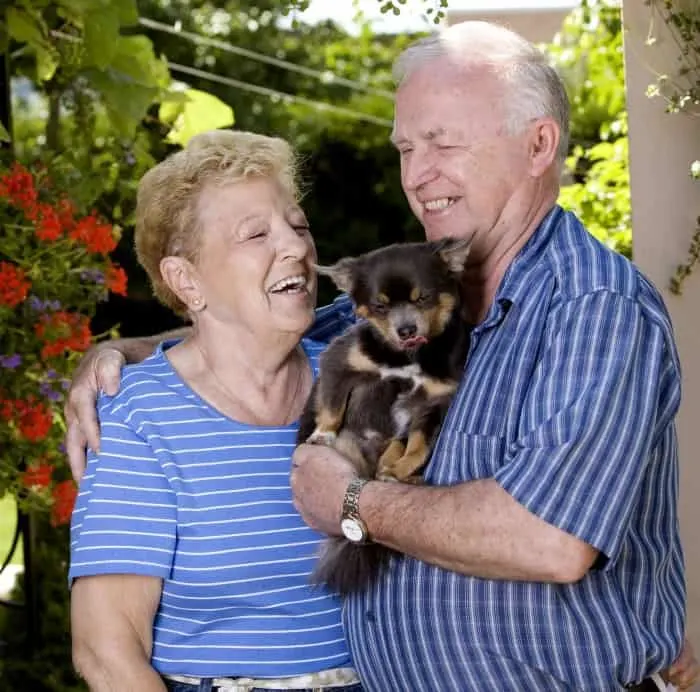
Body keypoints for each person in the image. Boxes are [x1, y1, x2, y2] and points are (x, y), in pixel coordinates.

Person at [65, 21, 700, 692]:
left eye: (443, 143)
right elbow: (254, 328)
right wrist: (122, 353)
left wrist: (351, 502)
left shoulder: (594, 309)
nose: (418, 175)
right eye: (406, 148)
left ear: (538, 144)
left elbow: (548, 538)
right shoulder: (403, 310)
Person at [68, 130, 363, 692]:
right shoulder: (141, 414)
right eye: (257, 234)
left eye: (298, 225)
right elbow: (106, 651)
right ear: (187, 280)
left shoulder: (358, 384)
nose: (296, 247)